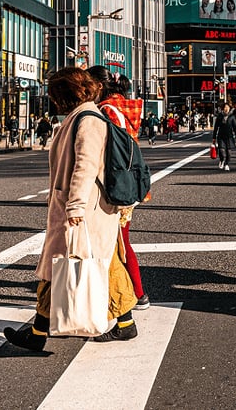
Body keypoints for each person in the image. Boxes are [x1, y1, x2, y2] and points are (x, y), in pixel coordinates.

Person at [3, 67, 136, 351]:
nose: (53, 100)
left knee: (61, 267)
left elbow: (85, 166)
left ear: (65, 94)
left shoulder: (87, 120)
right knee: (98, 265)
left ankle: (38, 334)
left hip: (84, 210)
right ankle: (125, 322)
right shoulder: (83, 116)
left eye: (55, 95)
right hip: (89, 209)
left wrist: (74, 206)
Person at [89, 66, 150, 311]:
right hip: (128, 181)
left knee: (119, 243)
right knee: (119, 241)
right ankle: (132, 293)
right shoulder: (123, 106)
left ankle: (137, 293)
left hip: (115, 184)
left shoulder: (105, 110)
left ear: (99, 86)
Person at [213, 102, 236, 170]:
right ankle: (222, 160)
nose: (226, 109)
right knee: (221, 150)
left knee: (229, 152)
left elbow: (235, 128)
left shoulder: (232, 117)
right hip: (221, 136)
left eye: (228, 107)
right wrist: (214, 137)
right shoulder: (220, 116)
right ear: (223, 108)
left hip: (229, 136)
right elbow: (216, 127)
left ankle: (226, 164)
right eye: (225, 107)